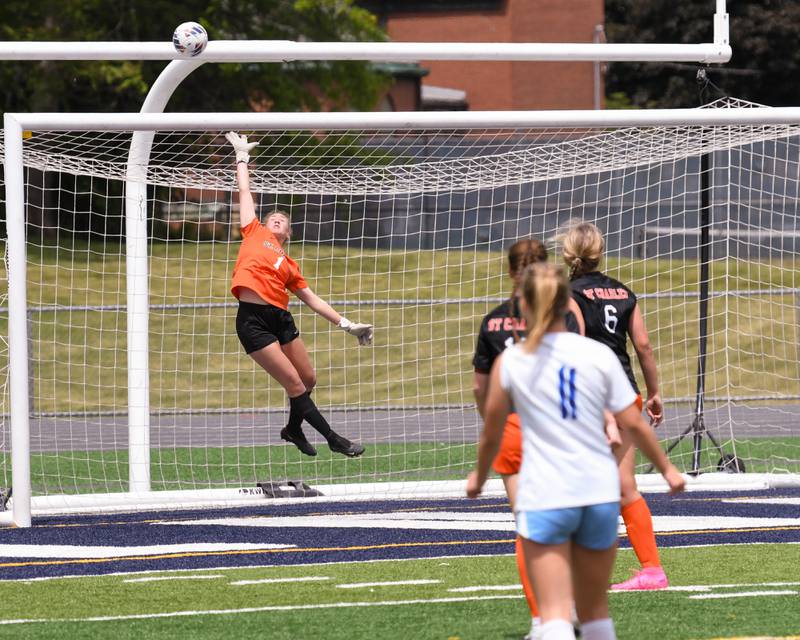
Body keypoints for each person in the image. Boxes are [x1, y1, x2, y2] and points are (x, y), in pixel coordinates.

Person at [467, 262, 685, 640]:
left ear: (525, 307)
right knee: (596, 611)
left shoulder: (511, 362)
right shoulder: (598, 356)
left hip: (545, 493)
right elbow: (633, 422)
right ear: (566, 303)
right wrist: (667, 469)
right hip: (597, 494)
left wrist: (479, 477)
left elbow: (492, 431)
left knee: (554, 615)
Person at [226, 131, 372, 458]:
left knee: (308, 378)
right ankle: (334, 438)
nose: (277, 218)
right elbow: (245, 190)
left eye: (283, 221)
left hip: (280, 318)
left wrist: (348, 325)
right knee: (293, 383)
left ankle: (293, 429)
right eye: (273, 217)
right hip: (253, 321)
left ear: (288, 233)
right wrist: (242, 157)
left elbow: (314, 300)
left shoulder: (290, 265)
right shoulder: (254, 232)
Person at [472, 238, 585, 640]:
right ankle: (567, 605)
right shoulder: (563, 320)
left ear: (510, 272)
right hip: (556, 429)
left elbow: (481, 390)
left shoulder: (493, 321)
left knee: (528, 525)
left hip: (512, 428)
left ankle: (542, 619)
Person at [562, 220, 668, 590]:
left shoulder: (569, 294)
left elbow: (573, 345)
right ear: (600, 252)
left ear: (568, 253)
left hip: (592, 395)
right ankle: (651, 569)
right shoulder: (623, 292)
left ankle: (578, 567)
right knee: (625, 485)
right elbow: (643, 346)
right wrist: (654, 393)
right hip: (626, 393)